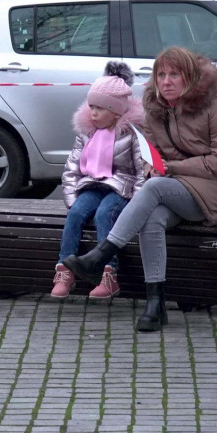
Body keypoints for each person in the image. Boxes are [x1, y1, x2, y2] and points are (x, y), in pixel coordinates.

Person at [62, 47, 217, 332]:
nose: (166, 81)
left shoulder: (214, 106)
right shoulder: (155, 108)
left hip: (213, 192)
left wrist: (171, 168)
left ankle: (100, 256)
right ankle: (155, 304)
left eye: (174, 75)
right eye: (161, 75)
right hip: (172, 189)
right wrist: (152, 163)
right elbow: (153, 151)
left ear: (190, 78)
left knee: (156, 187)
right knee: (152, 218)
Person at [52, 61, 145, 299]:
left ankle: (109, 274)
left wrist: (137, 202)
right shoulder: (87, 133)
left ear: (116, 111)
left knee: (105, 214)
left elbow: (142, 170)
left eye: (100, 108)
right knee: (75, 214)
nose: (93, 113)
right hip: (91, 185)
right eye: (91, 106)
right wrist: (72, 199)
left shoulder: (132, 134)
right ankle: (65, 270)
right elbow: (72, 168)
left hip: (120, 189)